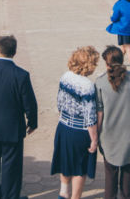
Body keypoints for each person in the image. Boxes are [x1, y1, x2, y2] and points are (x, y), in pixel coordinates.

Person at [0, 35, 38, 199]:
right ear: (14, 52)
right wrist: (32, 122)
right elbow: (29, 103)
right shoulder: (21, 75)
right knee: (11, 167)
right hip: (12, 129)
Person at [96, 46, 130, 199]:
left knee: (110, 173)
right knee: (128, 172)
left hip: (109, 136)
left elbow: (99, 113)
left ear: (106, 63)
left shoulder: (100, 83)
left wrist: (96, 136)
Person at [51, 46, 99, 199]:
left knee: (65, 162)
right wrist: (94, 139)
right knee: (80, 168)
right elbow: (90, 117)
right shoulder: (88, 86)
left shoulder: (65, 77)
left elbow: (59, 102)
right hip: (80, 131)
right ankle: (75, 197)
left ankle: (63, 192)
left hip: (63, 126)